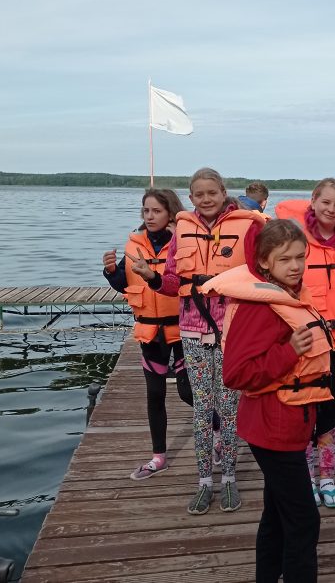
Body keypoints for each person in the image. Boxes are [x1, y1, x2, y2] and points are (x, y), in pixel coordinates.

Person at [130, 167, 266, 514]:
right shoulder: (183, 229)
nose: (206, 199)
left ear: (223, 192)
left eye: (212, 193)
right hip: (191, 332)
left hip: (232, 331)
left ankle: (230, 478)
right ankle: (204, 481)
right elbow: (173, 281)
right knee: (203, 410)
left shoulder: (248, 226)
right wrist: (152, 277)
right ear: (190, 198)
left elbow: (260, 274)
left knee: (229, 409)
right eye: (199, 194)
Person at [212, 219, 332, 583]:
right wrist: (289, 351)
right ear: (264, 262)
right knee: (304, 520)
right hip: (272, 430)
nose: (295, 266)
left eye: (300, 257)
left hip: (288, 424)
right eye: (285, 259)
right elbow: (235, 374)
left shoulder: (288, 296)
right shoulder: (259, 306)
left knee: (278, 514)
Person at [276, 178, 335, 508]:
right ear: (312, 201)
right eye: (325, 202)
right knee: (304, 407)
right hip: (306, 340)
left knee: (329, 406)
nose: (331, 209)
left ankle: (327, 476)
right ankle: (305, 477)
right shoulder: (294, 236)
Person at [102, 188, 197, 480]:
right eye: (146, 211)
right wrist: (111, 272)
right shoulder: (135, 243)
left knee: (187, 392)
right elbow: (124, 282)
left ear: (170, 213)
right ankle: (158, 457)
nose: (150, 216)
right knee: (154, 395)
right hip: (149, 331)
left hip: (181, 330)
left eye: (157, 211)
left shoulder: (184, 242)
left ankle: (219, 430)